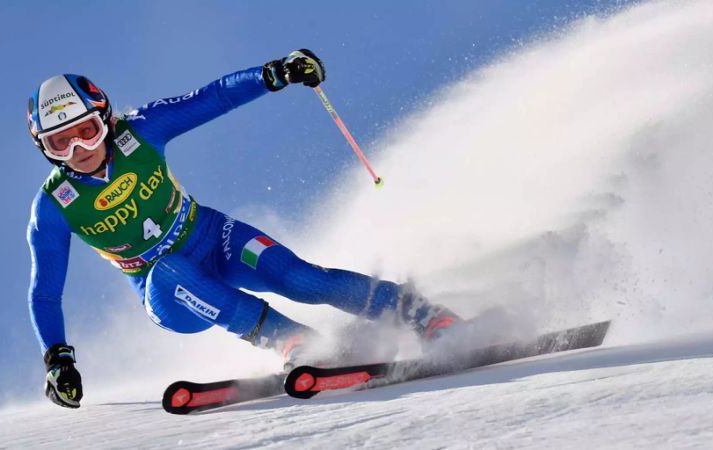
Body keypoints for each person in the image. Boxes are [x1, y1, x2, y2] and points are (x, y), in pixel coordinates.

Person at [26, 49, 461, 409]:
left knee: (301, 279)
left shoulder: (140, 131)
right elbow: (45, 291)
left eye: (86, 130)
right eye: (60, 142)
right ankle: (292, 341)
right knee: (168, 268)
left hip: (213, 237)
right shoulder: (53, 206)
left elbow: (211, 98)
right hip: (168, 292)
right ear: (45, 149)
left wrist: (274, 74)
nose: (79, 148)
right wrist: (57, 359)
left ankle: (419, 313)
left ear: (106, 119)